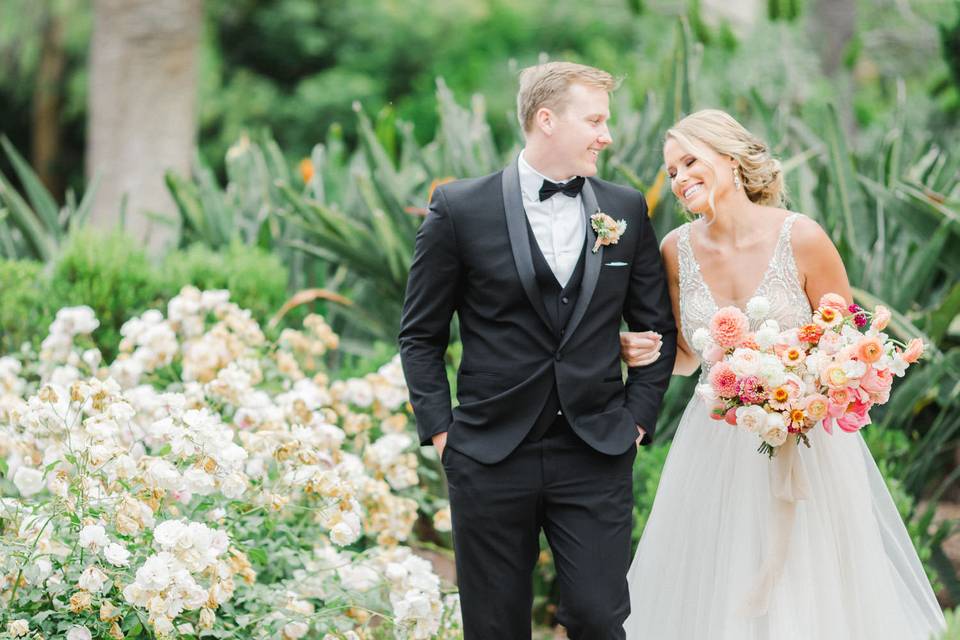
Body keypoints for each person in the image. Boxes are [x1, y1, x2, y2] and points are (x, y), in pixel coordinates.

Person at [619, 109, 946, 639]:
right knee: (720, 578)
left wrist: (809, 383)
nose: (678, 179)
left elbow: (848, 342)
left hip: (808, 442)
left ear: (729, 157)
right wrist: (640, 349)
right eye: (672, 170)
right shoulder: (675, 250)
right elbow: (685, 356)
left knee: (810, 582)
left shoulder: (802, 238)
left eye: (688, 162)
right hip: (716, 442)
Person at [398, 61, 677, 639]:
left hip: (595, 450)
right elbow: (421, 335)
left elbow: (658, 327)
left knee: (600, 619)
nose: (607, 135)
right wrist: (445, 433)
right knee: (495, 627)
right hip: (489, 453)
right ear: (546, 119)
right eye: (595, 120)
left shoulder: (624, 209)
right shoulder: (459, 209)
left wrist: (636, 423)